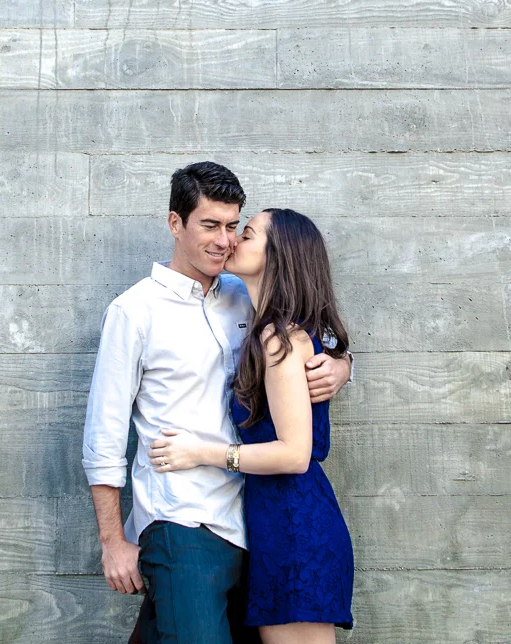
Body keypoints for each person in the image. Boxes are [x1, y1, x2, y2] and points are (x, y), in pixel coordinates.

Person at [82, 162, 351, 644]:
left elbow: (310, 325)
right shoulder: (134, 311)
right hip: (182, 519)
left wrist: (342, 364)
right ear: (175, 223)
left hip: (254, 520)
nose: (224, 240)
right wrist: (112, 543)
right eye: (210, 225)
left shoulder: (243, 294)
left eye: (233, 227)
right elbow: (103, 437)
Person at [149, 208, 355, 642]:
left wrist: (203, 453)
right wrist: (344, 364)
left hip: (294, 521)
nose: (231, 241)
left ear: (278, 255)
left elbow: (294, 454)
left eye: (247, 234)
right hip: (274, 519)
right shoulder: (263, 324)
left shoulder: (278, 336)